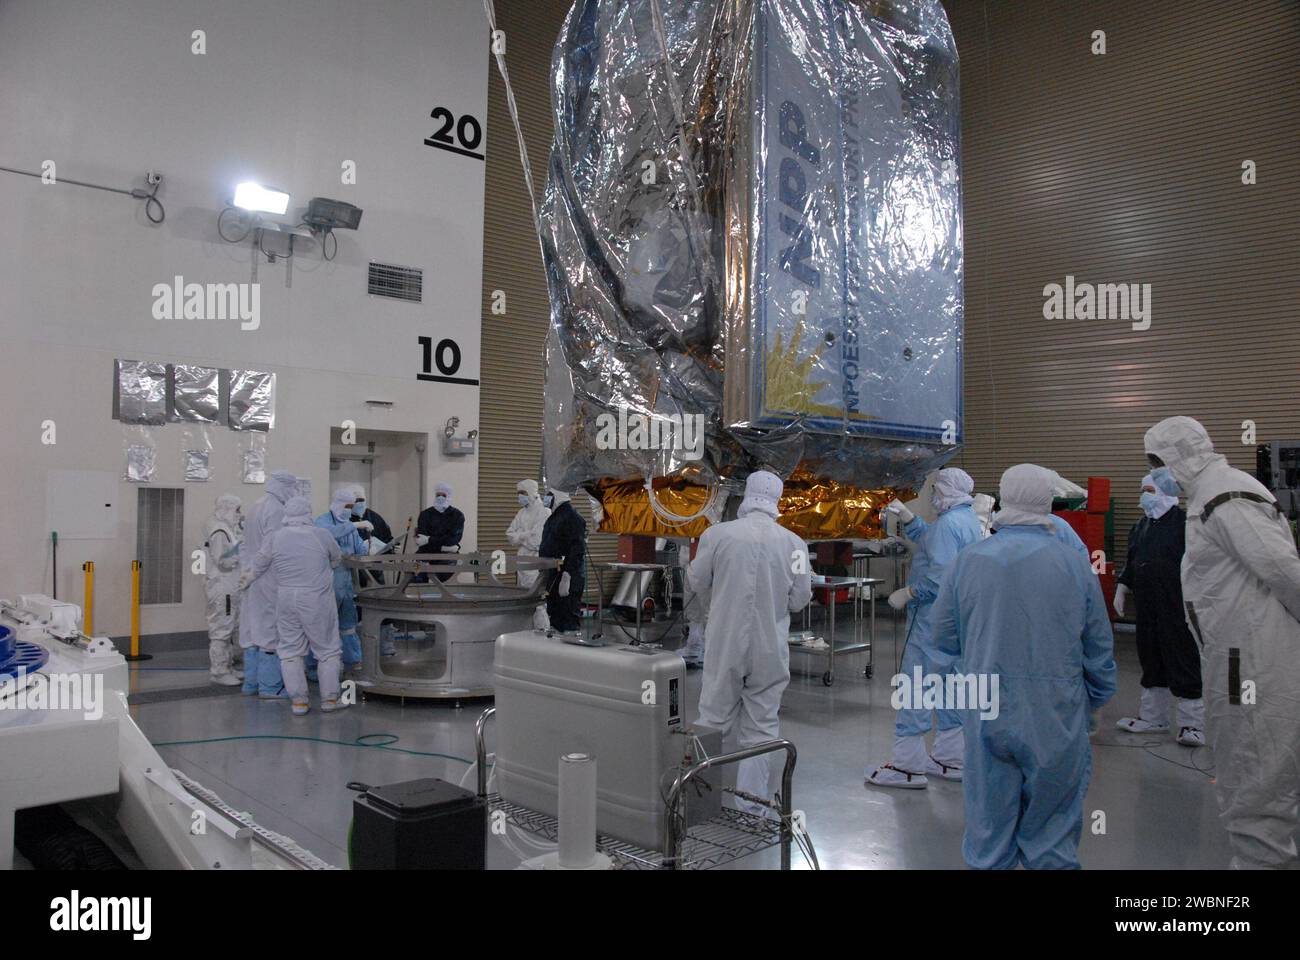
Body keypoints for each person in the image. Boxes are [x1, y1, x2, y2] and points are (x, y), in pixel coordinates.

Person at [930, 464, 1117, 869]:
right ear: (1048, 500)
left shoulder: (970, 560)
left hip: (986, 706)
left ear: (1003, 497)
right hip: (1056, 710)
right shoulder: (1073, 564)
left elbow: (942, 637)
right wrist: (1096, 698)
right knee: (1051, 832)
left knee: (988, 831)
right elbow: (1098, 643)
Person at [1145, 416, 1300, 869]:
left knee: (1255, 777)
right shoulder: (1211, 495)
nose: (1156, 474)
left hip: (1250, 662)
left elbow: (1285, 571)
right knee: (1247, 772)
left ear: (1176, 457)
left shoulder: (1227, 495)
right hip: (1236, 656)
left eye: (1156, 463)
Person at [688, 471, 811, 815]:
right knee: (761, 726)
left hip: (725, 640)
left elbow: (698, 581)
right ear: (776, 500)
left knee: (712, 718)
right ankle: (751, 808)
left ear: (746, 495)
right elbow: (801, 597)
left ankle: (700, 803)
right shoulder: (795, 544)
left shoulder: (716, 535)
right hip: (770, 645)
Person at [867, 467, 983, 788]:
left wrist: (910, 592)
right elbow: (932, 540)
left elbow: (940, 575)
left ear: (946, 491)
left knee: (917, 682)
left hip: (933, 616)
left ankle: (908, 766)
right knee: (950, 684)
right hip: (957, 618)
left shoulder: (948, 524)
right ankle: (951, 758)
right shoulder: (966, 520)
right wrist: (908, 518)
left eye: (936, 489)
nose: (932, 496)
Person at [1113, 473, 1204, 746]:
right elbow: (1133, 560)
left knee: (1182, 656)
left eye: (1150, 490)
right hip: (1147, 605)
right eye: (1142, 490)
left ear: (1166, 492)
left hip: (1178, 605)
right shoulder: (1140, 526)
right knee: (1151, 655)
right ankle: (1153, 716)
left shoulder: (1186, 524)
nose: (1145, 495)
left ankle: (1192, 723)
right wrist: (1122, 586)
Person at [243, 497, 348, 716]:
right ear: (307, 512)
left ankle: (298, 702)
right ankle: (330, 699)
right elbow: (336, 559)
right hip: (316, 598)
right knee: (326, 649)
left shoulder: (276, 537)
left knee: (290, 650)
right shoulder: (321, 534)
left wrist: (246, 579)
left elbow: (259, 563)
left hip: (286, 599)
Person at [238, 470, 297, 699]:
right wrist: (256, 571)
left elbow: (245, 544)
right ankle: (270, 687)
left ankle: (250, 683)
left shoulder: (257, 504)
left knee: (252, 628)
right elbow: (271, 547)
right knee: (270, 629)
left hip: (252, 575)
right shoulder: (276, 509)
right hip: (267, 576)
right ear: (285, 487)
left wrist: (247, 570)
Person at [315, 488, 368, 672]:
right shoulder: (323, 521)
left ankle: (352, 660)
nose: (348, 510)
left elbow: (359, 549)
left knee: (348, 625)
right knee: (324, 625)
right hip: (327, 582)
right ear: (337, 503)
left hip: (345, 583)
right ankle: (316, 666)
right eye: (346, 506)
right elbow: (328, 534)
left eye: (351, 507)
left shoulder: (349, 525)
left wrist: (370, 548)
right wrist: (355, 526)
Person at [202, 494, 243, 686]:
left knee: (230, 626)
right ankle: (219, 671)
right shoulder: (219, 531)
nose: (239, 514)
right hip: (222, 586)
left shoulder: (224, 527)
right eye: (237, 510)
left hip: (227, 585)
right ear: (227, 508)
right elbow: (223, 561)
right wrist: (241, 554)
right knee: (221, 629)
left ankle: (228, 666)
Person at [538, 488, 586, 632]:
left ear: (557, 497)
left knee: (567, 615)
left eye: (548, 495)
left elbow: (577, 550)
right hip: (554, 574)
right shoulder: (555, 516)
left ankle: (570, 648)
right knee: (555, 614)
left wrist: (568, 576)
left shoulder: (572, 517)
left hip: (567, 575)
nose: (545, 498)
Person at [507, 479, 551, 629]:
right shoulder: (521, 512)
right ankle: (525, 632)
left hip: (536, 562)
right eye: (518, 493)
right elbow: (509, 535)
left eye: (523, 493)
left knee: (537, 602)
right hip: (522, 563)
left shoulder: (544, 512)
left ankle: (542, 631)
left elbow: (537, 541)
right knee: (523, 601)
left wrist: (520, 536)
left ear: (532, 493)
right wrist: (527, 535)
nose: (520, 496)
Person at [415, 481, 465, 582]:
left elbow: (453, 539)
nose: (440, 497)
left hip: (447, 557)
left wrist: (429, 539)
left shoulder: (457, 515)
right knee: (415, 578)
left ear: (449, 496)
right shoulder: (425, 515)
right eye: (438, 495)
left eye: (443, 495)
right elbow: (421, 541)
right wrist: (444, 545)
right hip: (425, 554)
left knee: (441, 581)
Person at [349, 485, 392, 587]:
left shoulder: (374, 517)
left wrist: (391, 546)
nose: (359, 503)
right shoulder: (344, 518)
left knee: (378, 593)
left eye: (362, 500)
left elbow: (386, 537)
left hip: (375, 564)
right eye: (356, 500)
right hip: (353, 566)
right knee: (356, 594)